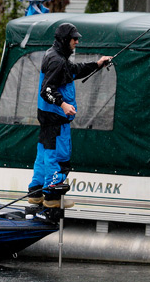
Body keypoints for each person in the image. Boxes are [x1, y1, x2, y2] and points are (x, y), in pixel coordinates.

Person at [27, 23, 112, 208]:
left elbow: (74, 71)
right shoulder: (57, 60)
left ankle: (36, 192)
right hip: (56, 118)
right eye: (74, 39)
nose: (77, 41)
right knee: (57, 156)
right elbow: (46, 90)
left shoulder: (56, 56)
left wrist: (97, 64)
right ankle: (52, 198)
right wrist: (63, 104)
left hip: (48, 117)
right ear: (65, 40)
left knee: (43, 154)